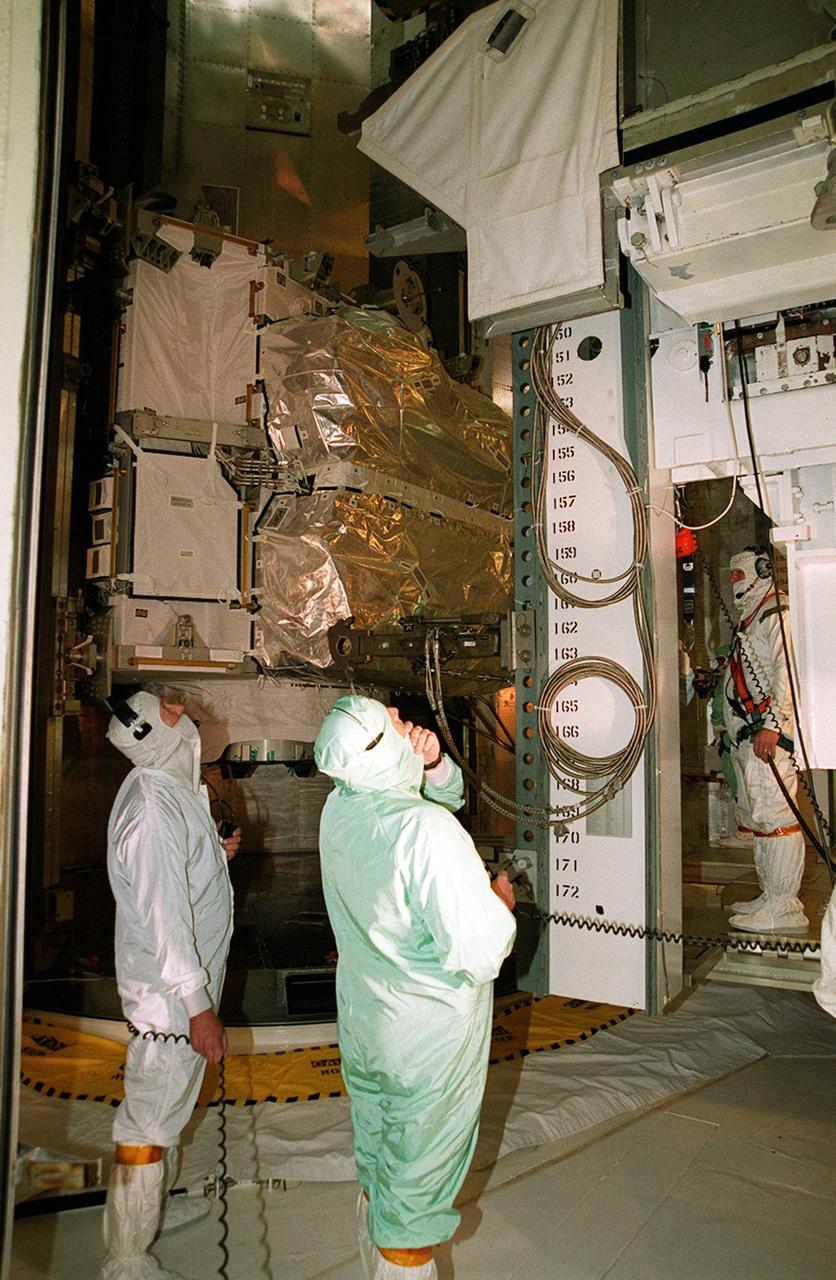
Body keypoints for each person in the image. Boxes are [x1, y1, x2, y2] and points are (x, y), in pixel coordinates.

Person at [314, 696, 516, 1280]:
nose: (406, 718)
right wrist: (498, 904)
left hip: (369, 1029)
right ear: (381, 748)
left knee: (381, 1173)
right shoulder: (425, 833)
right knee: (414, 1206)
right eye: (395, 721)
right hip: (429, 1044)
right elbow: (479, 950)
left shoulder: (341, 808)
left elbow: (418, 805)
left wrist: (431, 768)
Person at [101, 690, 239, 1280]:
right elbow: (165, 919)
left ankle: (150, 1210)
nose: (183, 713)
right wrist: (198, 1008)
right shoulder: (155, 808)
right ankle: (127, 1259)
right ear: (153, 731)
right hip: (169, 1005)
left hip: (175, 1000)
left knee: (171, 1110)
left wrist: (217, 853)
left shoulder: (166, 790)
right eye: (171, 711)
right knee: (149, 1123)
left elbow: (177, 878)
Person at [721, 548, 808, 934]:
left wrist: (773, 723)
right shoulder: (753, 619)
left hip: (770, 737)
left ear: (760, 571)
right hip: (753, 736)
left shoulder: (776, 613)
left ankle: (785, 905)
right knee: (761, 819)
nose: (734, 583)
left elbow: (786, 671)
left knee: (777, 818)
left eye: (740, 576)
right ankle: (771, 893)